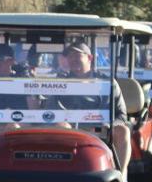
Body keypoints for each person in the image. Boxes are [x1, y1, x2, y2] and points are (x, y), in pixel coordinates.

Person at [47, 41, 131, 172]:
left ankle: (120, 173)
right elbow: (50, 110)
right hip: (71, 128)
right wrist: (60, 121)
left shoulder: (107, 82)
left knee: (123, 131)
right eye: (69, 56)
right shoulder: (61, 82)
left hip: (100, 128)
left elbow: (121, 114)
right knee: (60, 127)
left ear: (90, 58)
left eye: (77, 55)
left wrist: (108, 124)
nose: (72, 59)